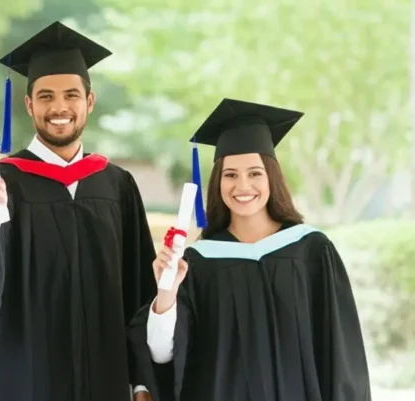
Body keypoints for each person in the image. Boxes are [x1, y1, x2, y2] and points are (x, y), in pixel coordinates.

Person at [0, 21, 158, 401]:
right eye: (46, 96)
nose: (59, 107)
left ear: (89, 102)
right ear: (29, 104)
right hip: (24, 376)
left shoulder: (116, 184)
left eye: (71, 95)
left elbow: (141, 289)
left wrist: (141, 381)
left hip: (105, 377)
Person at [127, 98, 372, 401]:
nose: (243, 185)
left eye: (255, 173)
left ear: (272, 178)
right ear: (218, 182)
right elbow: (164, 357)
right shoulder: (199, 262)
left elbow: (341, 356)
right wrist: (167, 294)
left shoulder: (311, 252)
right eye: (230, 174)